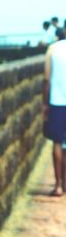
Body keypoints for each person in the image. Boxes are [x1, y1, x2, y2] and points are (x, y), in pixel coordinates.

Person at [43, 35, 66, 196]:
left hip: (57, 101)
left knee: (57, 143)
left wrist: (44, 103)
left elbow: (46, 79)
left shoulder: (53, 48)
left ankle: (58, 185)